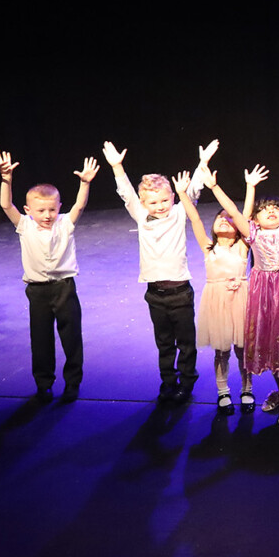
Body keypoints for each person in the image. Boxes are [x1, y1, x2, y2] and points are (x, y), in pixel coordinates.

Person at [106, 138, 213, 404]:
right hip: (155, 294)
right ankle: (168, 382)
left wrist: (202, 163)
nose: (161, 206)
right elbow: (126, 193)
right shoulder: (141, 216)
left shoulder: (179, 213)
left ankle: (186, 382)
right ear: (144, 204)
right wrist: (117, 167)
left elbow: (193, 191)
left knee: (186, 343)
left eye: (165, 200)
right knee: (164, 343)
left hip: (180, 292)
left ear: (173, 198)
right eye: (153, 202)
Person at [0, 150, 96, 403]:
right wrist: (6, 179)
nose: (47, 215)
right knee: (40, 340)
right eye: (40, 210)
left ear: (59, 208)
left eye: (52, 209)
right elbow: (6, 205)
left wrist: (84, 183)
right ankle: (44, 384)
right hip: (38, 291)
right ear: (28, 210)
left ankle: (72, 382)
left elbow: (80, 205)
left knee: (71, 337)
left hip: (64, 288)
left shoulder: (65, 223)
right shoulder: (24, 225)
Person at [206, 155, 279, 419]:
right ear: (254, 219)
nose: (271, 211)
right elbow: (235, 212)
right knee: (275, 345)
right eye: (264, 209)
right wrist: (216, 187)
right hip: (266, 293)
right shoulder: (252, 233)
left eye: (275, 208)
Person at [193, 158, 257, 413]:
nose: (224, 219)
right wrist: (182, 195)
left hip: (240, 301)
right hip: (217, 302)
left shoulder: (242, 247)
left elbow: (245, 216)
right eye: (219, 218)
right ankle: (223, 391)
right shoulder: (208, 248)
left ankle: (247, 389)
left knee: (243, 349)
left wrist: (250, 187)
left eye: (229, 219)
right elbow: (194, 220)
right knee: (221, 351)